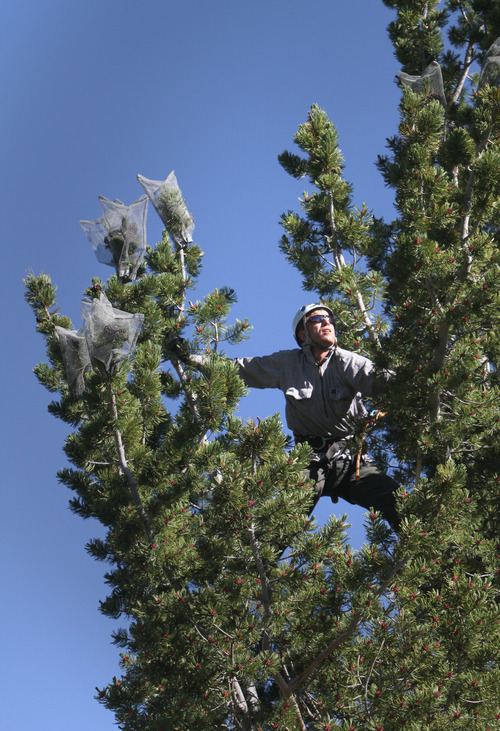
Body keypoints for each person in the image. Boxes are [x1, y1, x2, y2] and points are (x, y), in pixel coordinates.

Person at [235, 303, 400, 531]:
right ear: (303, 335)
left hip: (352, 462)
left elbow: (389, 382)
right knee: (276, 528)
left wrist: (426, 374)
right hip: (308, 462)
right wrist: (192, 360)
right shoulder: (287, 365)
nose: (327, 323)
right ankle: (254, 566)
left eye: (329, 320)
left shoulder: (348, 362)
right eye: (317, 319)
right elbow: (242, 369)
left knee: (401, 505)